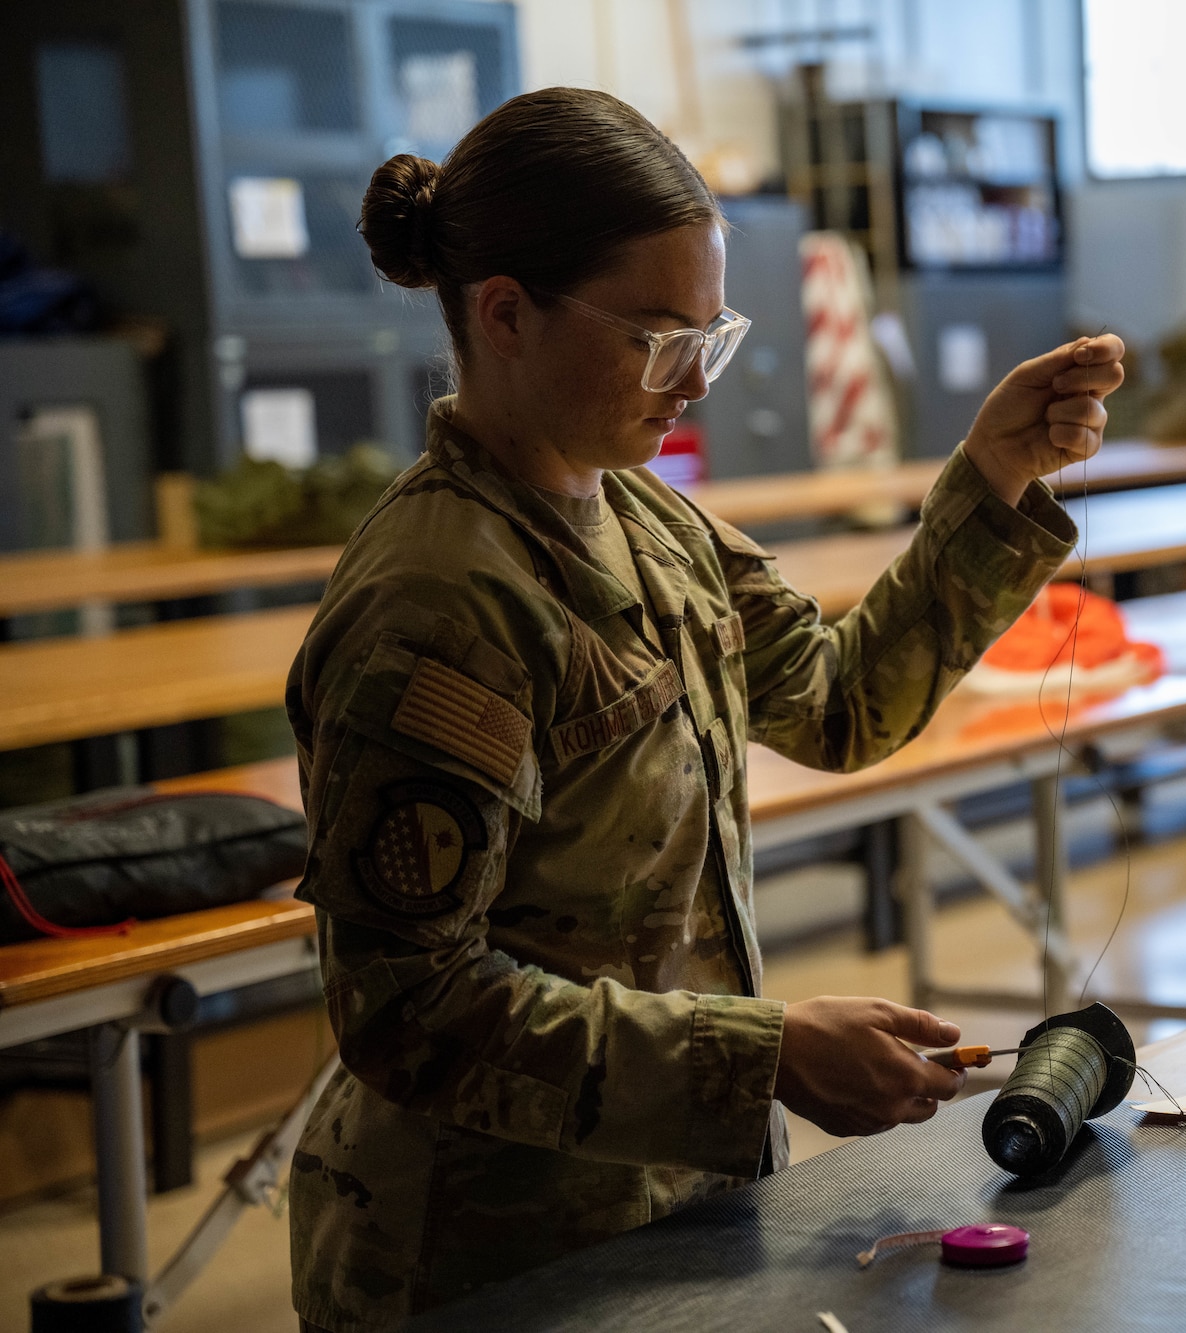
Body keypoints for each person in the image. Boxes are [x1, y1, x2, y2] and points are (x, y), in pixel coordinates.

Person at [286, 87, 1122, 1332]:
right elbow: (410, 1009)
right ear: (505, 313)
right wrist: (766, 1052)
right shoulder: (443, 601)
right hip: (483, 1254)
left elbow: (841, 705)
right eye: (654, 338)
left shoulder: (648, 522)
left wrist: (993, 475)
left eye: (708, 336)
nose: (691, 382)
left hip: (668, 1204)